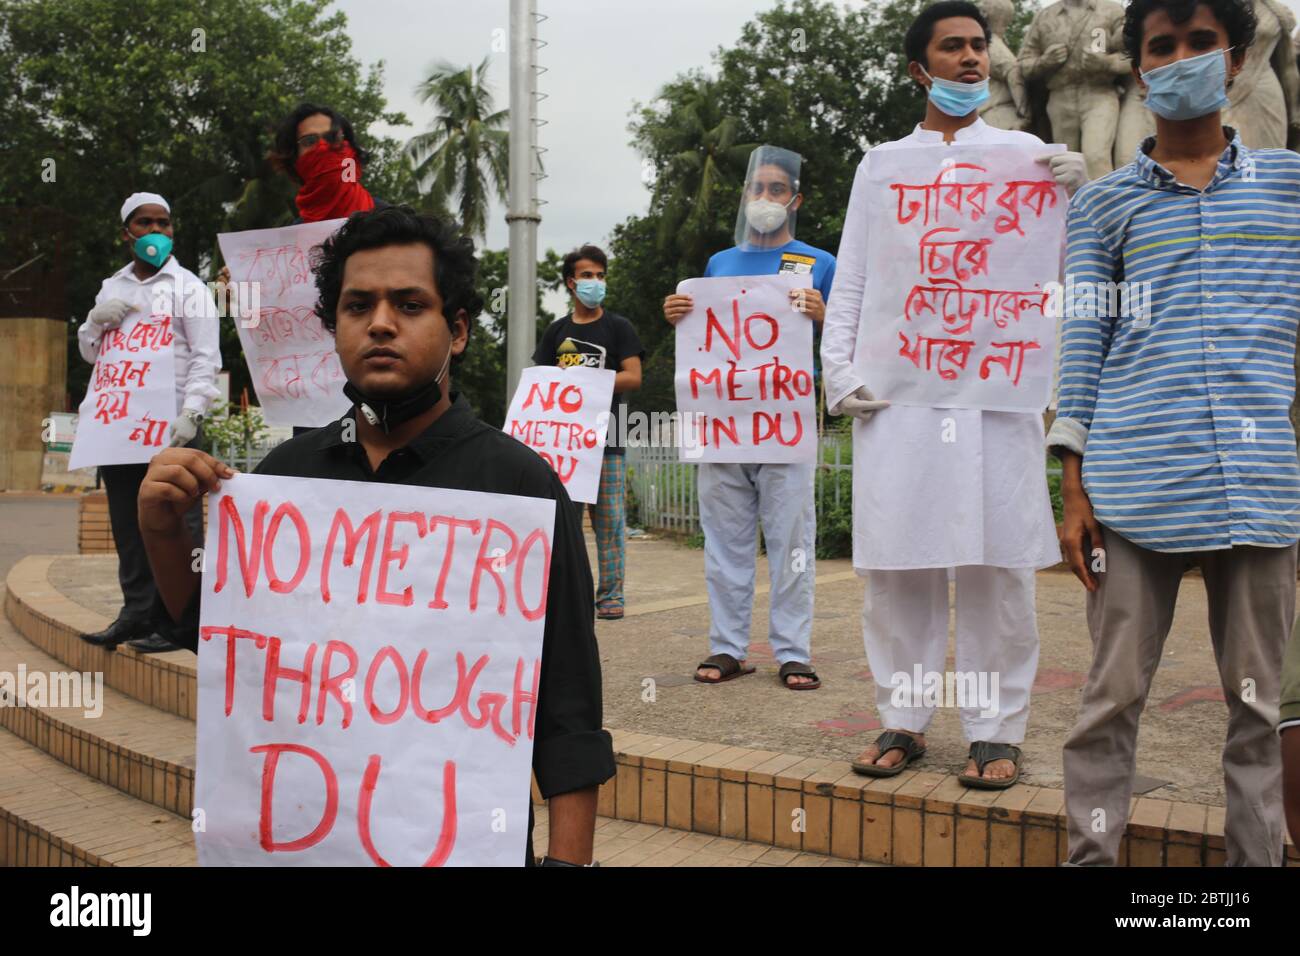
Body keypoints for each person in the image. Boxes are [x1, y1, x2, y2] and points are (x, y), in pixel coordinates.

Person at [137, 206, 612, 866]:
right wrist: (162, 531)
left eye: (410, 304)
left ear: (460, 331)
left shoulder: (520, 487)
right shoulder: (284, 480)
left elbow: (567, 704)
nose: (381, 323)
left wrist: (568, 864)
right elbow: (225, 647)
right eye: (357, 306)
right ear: (333, 329)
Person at [1052, 0, 1300, 866]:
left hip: (1262, 489)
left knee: (1258, 710)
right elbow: (1082, 345)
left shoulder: (1290, 189)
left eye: (1201, 42)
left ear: (1233, 61)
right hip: (1133, 485)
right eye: (1164, 46)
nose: (1184, 57)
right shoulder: (1103, 207)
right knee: (1110, 702)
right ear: (1139, 68)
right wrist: (1072, 489)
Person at [820, 1, 1087, 786]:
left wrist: (1082, 195)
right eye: (954, 48)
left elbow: (1060, 276)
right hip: (901, 397)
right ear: (918, 68)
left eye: (980, 46)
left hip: (994, 398)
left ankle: (996, 729)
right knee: (900, 570)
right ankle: (902, 722)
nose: (973, 59)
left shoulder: (1026, 157)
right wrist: (840, 370)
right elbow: (857, 277)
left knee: (997, 568)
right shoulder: (882, 165)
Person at [662, 145, 832, 690]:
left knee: (793, 543)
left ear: (795, 199)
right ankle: (727, 647)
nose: (765, 198)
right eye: (756, 189)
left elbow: (849, 336)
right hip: (724, 427)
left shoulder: (820, 263)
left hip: (786, 426)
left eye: (777, 189)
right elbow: (706, 340)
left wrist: (822, 315)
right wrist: (678, 313)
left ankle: (793, 650)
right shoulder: (718, 265)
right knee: (725, 540)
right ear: (745, 198)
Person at [78, 192, 221, 654]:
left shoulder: (190, 288)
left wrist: (192, 413)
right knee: (128, 522)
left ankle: (182, 620)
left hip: (174, 425)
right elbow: (91, 354)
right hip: (121, 428)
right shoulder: (111, 287)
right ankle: (137, 612)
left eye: (165, 223)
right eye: (145, 223)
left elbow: (205, 358)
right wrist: (94, 322)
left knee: (180, 520)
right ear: (127, 234)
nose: (156, 232)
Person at [533, 245, 644, 620]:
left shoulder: (618, 327)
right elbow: (541, 383)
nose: (595, 282)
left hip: (607, 441)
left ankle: (611, 596)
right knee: (565, 524)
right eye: (587, 276)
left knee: (610, 523)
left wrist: (585, 382)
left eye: (600, 275)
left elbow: (633, 376)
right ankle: (570, 595)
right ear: (570, 282)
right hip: (565, 446)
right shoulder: (556, 332)